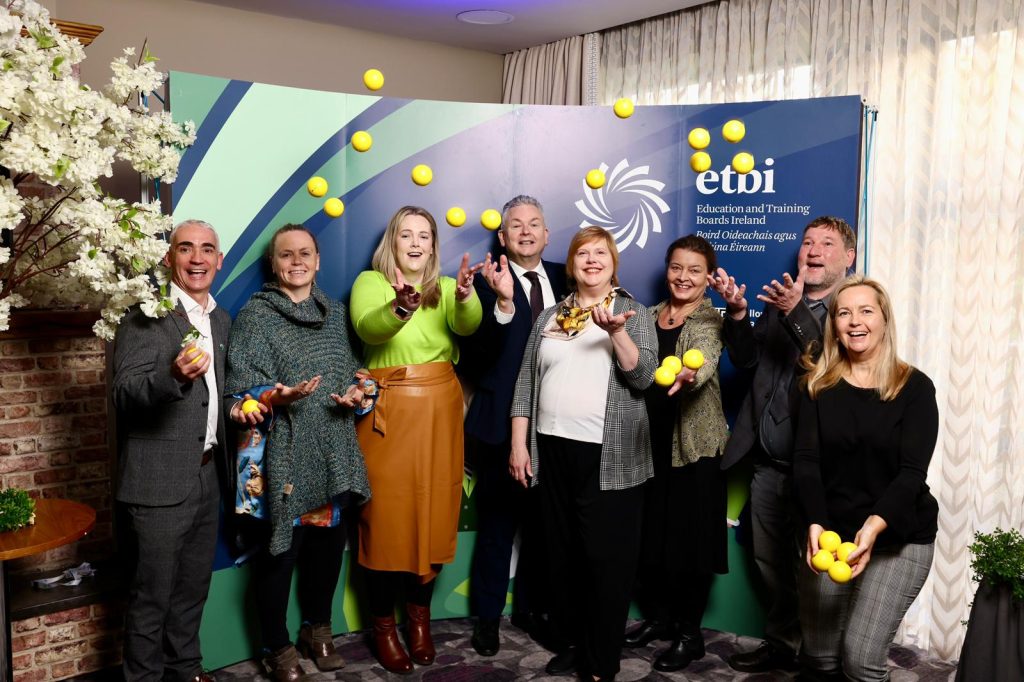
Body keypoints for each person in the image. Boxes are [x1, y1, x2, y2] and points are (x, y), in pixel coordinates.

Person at [709, 215, 856, 673]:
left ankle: (821, 655)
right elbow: (748, 359)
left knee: (815, 570)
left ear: (848, 257)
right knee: (768, 558)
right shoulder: (780, 300)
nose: (813, 250)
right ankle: (782, 642)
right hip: (768, 462)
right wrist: (736, 314)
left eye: (826, 244)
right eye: (808, 241)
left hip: (820, 471)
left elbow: (832, 367)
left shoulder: (852, 308)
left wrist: (795, 312)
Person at [510, 226, 657, 682]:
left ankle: (602, 660)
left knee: (606, 563)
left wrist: (617, 334)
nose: (591, 260)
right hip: (551, 451)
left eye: (600, 253)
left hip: (608, 457)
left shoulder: (633, 312)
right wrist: (519, 444)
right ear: (571, 265)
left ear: (613, 262)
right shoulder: (550, 316)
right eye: (582, 254)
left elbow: (644, 377)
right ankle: (575, 643)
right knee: (563, 556)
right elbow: (525, 385)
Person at [225, 224, 370, 680]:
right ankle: (277, 646)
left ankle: (317, 629)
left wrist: (358, 392)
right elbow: (240, 387)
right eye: (286, 255)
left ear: (318, 259)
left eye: (304, 253)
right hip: (280, 456)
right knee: (278, 558)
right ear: (274, 263)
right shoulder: (256, 315)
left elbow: (355, 372)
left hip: (330, 449)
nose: (296, 261)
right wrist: (273, 396)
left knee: (326, 552)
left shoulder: (336, 312)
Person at [349, 205, 483, 674]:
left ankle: (419, 622)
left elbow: (468, 326)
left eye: (423, 235)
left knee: (432, 514)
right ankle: (384, 627)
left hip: (440, 410)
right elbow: (369, 327)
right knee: (385, 519)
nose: (415, 242)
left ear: (432, 245)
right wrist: (402, 304)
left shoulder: (446, 288)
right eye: (406, 234)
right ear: (393, 241)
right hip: (389, 410)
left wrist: (466, 295)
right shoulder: (371, 282)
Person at [793, 276, 938, 681]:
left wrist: (873, 528)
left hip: (898, 537)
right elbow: (805, 462)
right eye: (844, 313)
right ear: (834, 325)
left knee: (860, 659)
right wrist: (815, 522)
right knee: (820, 657)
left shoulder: (915, 388)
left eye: (866, 311)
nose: (855, 321)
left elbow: (912, 473)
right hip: (832, 532)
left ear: (884, 320)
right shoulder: (816, 385)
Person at [112, 219, 232, 682]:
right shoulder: (147, 314)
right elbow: (125, 392)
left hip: (206, 474)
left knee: (190, 591)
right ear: (170, 258)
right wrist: (173, 377)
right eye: (186, 249)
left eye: (207, 250)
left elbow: (220, 395)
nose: (197, 258)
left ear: (219, 261)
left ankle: (186, 670)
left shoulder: (220, 319)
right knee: (151, 598)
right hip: (156, 480)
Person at [460, 195, 568, 656]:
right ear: (502, 238)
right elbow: (476, 357)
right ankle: (487, 619)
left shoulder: (570, 277)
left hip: (558, 425)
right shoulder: (484, 284)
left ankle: (532, 609)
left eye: (535, 224)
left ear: (547, 234)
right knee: (498, 526)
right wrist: (502, 304)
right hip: (498, 424)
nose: (526, 232)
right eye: (515, 226)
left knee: (546, 526)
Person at [624, 235, 729, 672]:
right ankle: (660, 619)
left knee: (691, 545)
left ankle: (689, 635)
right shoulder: (647, 317)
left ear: (708, 278)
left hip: (693, 449)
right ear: (667, 269)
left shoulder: (709, 319)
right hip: (647, 446)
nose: (683, 277)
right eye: (677, 267)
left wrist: (692, 371)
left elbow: (704, 357)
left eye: (694, 270)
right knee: (652, 539)